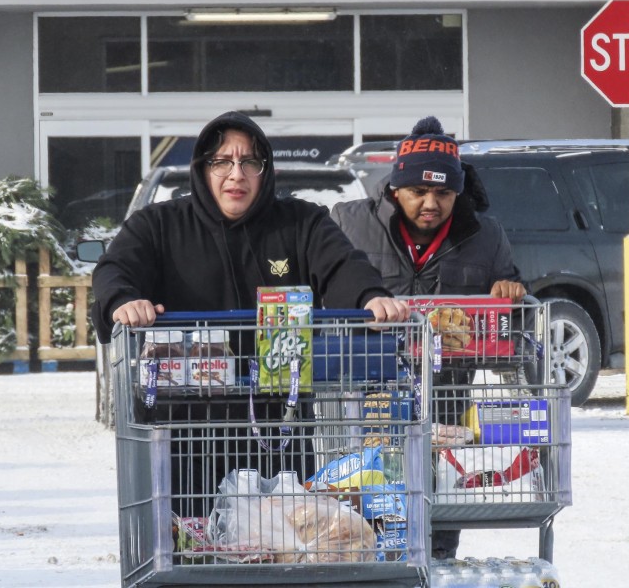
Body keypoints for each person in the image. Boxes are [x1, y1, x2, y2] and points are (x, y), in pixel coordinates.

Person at [90, 110, 409, 518]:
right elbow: (115, 269)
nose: (236, 174)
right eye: (222, 162)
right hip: (184, 433)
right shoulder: (158, 226)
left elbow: (341, 264)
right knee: (191, 550)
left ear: (265, 170)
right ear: (203, 168)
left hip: (278, 432)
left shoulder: (300, 222)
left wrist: (370, 296)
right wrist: (122, 301)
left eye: (249, 162)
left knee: (285, 550)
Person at [331, 115, 527, 560]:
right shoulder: (349, 222)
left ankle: (437, 563)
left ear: (458, 192)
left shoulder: (485, 235)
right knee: (368, 487)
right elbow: (321, 280)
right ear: (394, 189)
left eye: (442, 193)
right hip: (366, 387)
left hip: (446, 391)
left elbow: (511, 298)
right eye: (418, 192)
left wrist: (511, 290)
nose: (430, 204)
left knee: (438, 495)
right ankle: (373, 565)